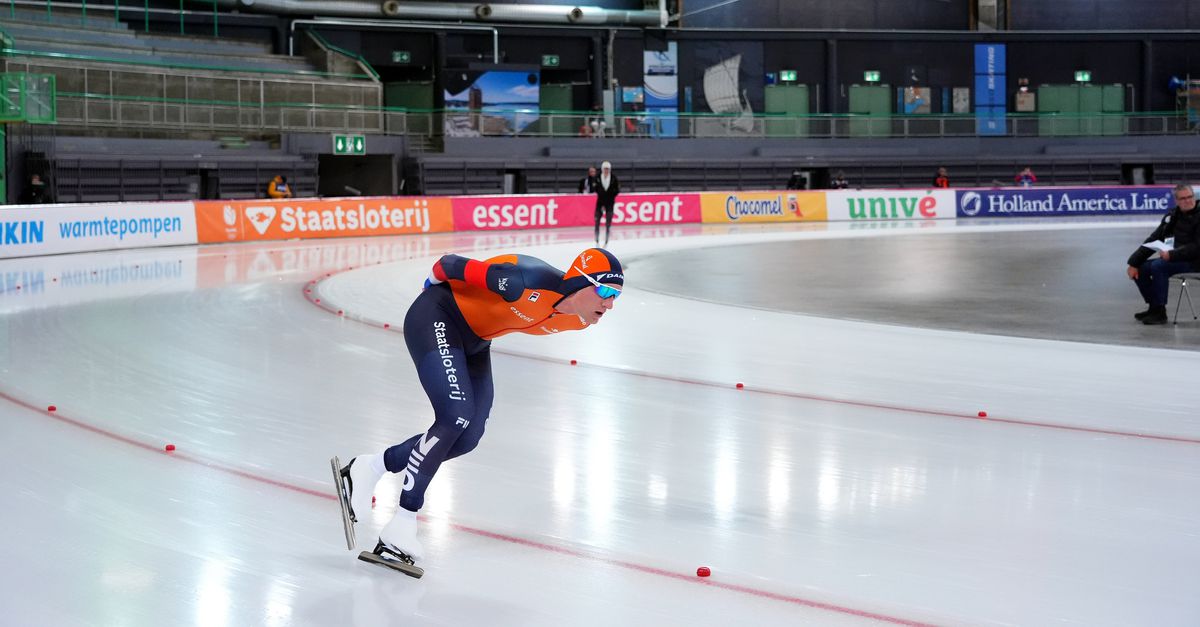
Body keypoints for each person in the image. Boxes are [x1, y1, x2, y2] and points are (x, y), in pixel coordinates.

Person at [333, 248, 625, 572]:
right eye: (606, 291)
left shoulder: (579, 322)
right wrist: (429, 294)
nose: (610, 304)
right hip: (436, 316)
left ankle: (368, 468)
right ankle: (402, 522)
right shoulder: (522, 281)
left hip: (475, 341)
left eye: (616, 296)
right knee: (455, 414)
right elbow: (448, 264)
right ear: (581, 283)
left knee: (468, 436)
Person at [1126, 183, 1200, 325]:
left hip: (1195, 261)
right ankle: (1153, 307)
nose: (1188, 201)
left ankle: (1160, 312)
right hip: (1176, 259)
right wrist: (1133, 262)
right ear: (1176, 201)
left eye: (1190, 197)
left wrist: (1172, 255)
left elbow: (1197, 246)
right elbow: (1154, 239)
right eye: (1183, 198)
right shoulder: (1172, 216)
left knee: (1159, 266)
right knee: (1142, 268)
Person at [593, 161, 620, 247]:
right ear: (602, 169)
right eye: (605, 169)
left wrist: (610, 197)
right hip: (600, 203)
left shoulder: (614, 178)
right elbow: (595, 188)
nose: (606, 170)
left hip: (610, 203)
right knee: (597, 222)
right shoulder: (597, 177)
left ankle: (606, 241)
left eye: (608, 169)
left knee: (608, 223)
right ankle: (597, 240)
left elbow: (617, 190)